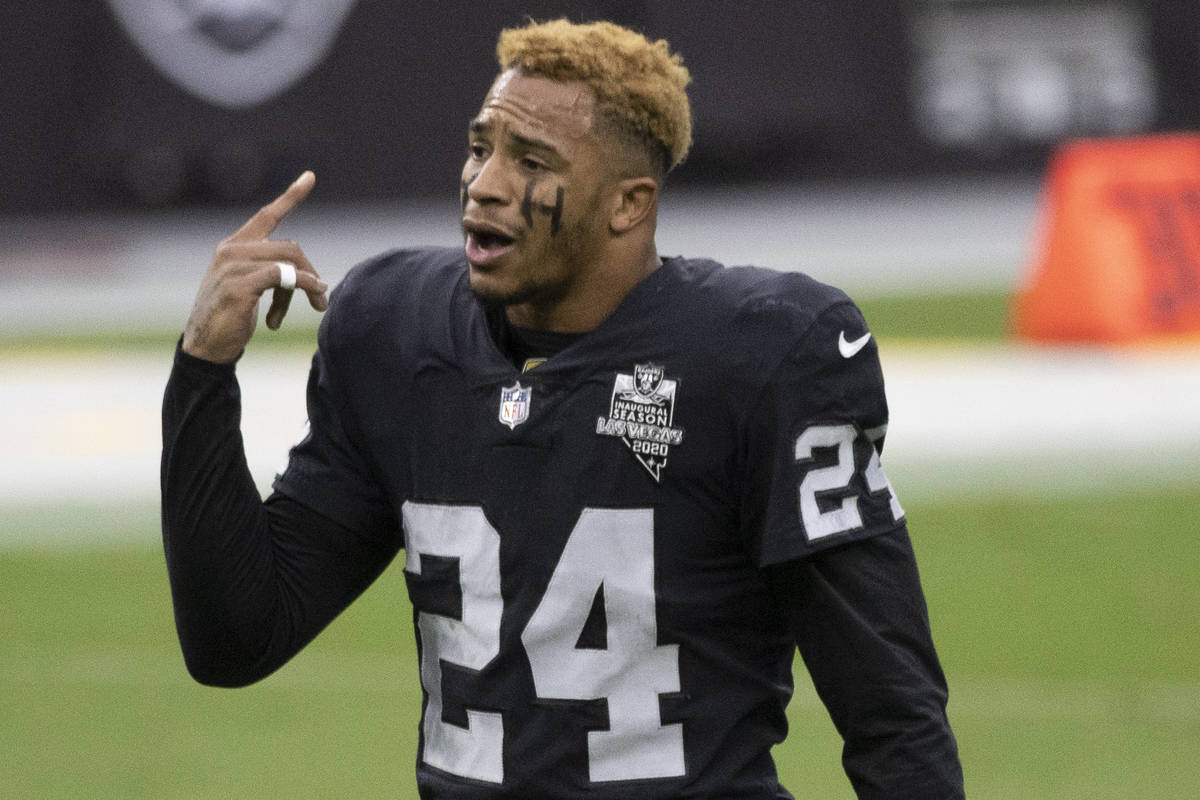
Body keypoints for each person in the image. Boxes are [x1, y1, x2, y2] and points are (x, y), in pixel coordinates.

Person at [161, 18, 964, 799]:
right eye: (480, 148)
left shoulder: (764, 354)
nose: (485, 183)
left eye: (531, 160)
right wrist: (203, 369)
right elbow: (237, 637)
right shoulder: (393, 330)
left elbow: (890, 708)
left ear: (628, 204)